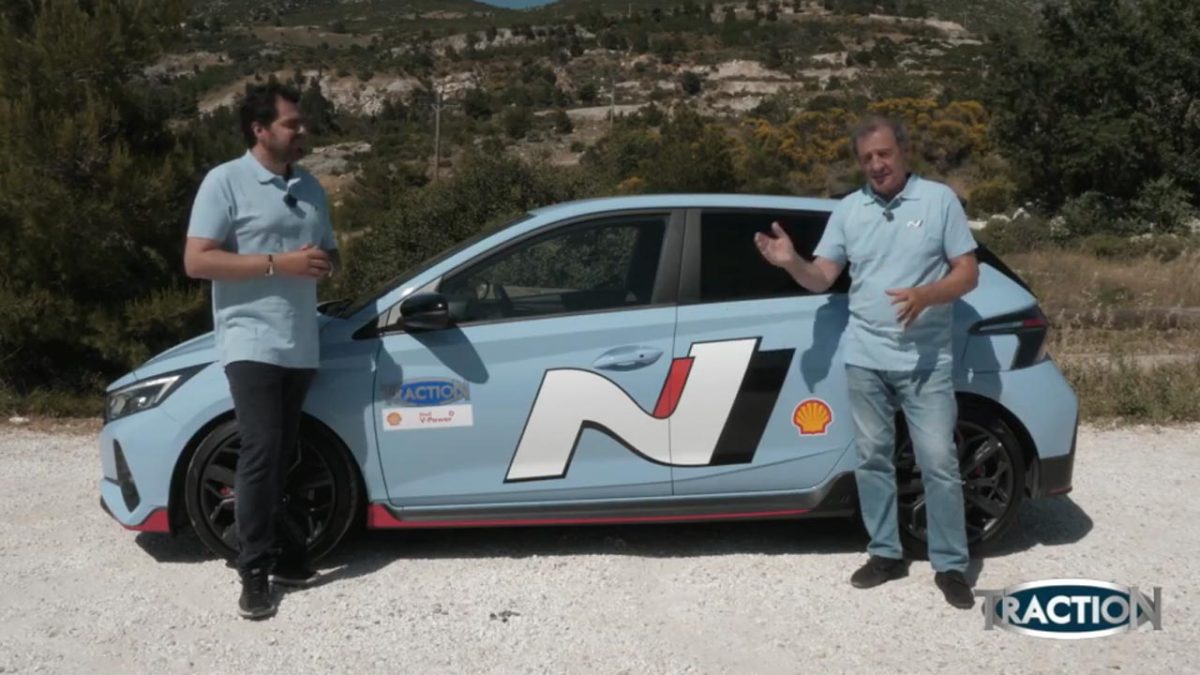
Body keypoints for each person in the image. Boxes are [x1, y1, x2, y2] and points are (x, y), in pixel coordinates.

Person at [754, 115, 980, 610]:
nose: (876, 165)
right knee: (873, 458)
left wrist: (927, 295)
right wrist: (791, 262)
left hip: (925, 362)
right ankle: (885, 553)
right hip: (865, 358)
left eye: (884, 154)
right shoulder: (849, 210)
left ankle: (950, 564)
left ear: (903, 152)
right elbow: (821, 277)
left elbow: (968, 274)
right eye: (867, 158)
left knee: (939, 463)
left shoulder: (938, 200)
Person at [183, 82, 339, 620]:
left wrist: (324, 263)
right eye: (291, 124)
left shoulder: (310, 185)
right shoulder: (225, 181)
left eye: (301, 122)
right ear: (260, 130)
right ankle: (253, 569)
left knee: (284, 453)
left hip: (301, 339)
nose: (302, 131)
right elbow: (197, 261)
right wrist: (279, 264)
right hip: (250, 337)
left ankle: (287, 550)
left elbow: (330, 252)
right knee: (261, 450)